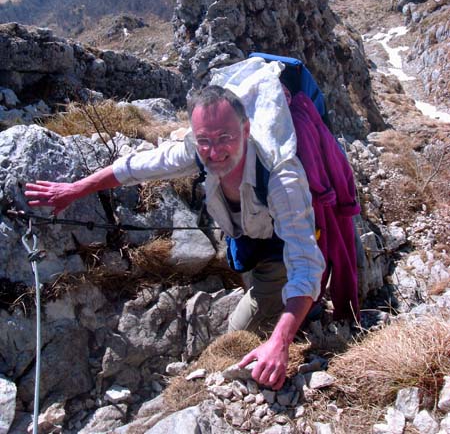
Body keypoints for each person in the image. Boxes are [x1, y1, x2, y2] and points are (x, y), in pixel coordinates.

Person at [25, 85, 325, 390]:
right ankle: (296, 310)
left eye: (225, 138)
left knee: (236, 336)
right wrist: (76, 190)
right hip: (247, 240)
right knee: (264, 295)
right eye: (204, 140)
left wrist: (280, 343)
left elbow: (306, 263)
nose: (214, 151)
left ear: (246, 130)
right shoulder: (197, 151)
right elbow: (137, 168)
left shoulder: (281, 178)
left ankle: (297, 314)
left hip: (279, 252)